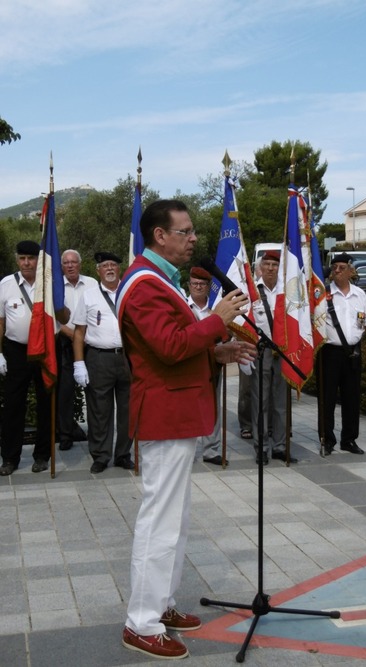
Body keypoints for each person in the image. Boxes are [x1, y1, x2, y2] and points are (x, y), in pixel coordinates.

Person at [116, 199, 254, 660]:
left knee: (176, 520)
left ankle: (163, 604)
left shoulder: (159, 281)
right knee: (160, 522)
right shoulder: (144, 286)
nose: (194, 238)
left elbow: (171, 348)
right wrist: (219, 321)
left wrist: (217, 352)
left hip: (176, 411)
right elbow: (170, 347)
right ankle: (141, 622)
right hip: (164, 414)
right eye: (186, 231)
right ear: (160, 235)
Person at [72, 252, 133, 474]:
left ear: (119, 269)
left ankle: (123, 454)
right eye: (104, 266)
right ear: (97, 271)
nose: (109, 269)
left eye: (113, 265)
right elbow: (79, 332)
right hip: (99, 358)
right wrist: (79, 363)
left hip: (127, 358)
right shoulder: (88, 296)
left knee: (128, 409)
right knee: (99, 410)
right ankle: (100, 455)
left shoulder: (130, 293)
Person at [0, 241, 51, 475]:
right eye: (22, 258)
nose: (26, 263)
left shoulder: (48, 284)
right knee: (13, 406)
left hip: (44, 351)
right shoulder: (6, 285)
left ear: (38, 261)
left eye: (31, 258)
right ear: (17, 259)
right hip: (16, 351)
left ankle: (42, 455)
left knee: (45, 403)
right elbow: (0, 322)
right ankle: (10, 458)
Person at [317, 252, 366, 455]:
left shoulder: (360, 294)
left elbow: (365, 323)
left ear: (350, 270)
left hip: (353, 353)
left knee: (352, 398)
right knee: (327, 398)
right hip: (330, 352)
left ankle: (349, 439)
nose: (337, 271)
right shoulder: (323, 293)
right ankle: (327, 440)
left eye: (341, 267)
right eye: (334, 267)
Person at [251, 249, 297, 465]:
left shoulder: (287, 291)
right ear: (260, 268)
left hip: (283, 351)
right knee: (260, 401)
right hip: (261, 351)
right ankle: (261, 447)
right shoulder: (252, 291)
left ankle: (279, 446)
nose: (270, 268)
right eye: (267, 264)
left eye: (275, 265)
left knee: (281, 403)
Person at [57, 249, 98, 451]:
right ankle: (65, 434)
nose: (70, 265)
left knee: (94, 390)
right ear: (61, 266)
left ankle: (97, 433)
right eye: (66, 263)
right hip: (65, 342)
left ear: (80, 264)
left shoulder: (92, 284)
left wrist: (84, 338)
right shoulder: (56, 287)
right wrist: (74, 336)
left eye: (74, 262)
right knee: (65, 391)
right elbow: (54, 319)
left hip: (90, 343)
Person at [187, 265, 226, 465]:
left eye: (202, 284)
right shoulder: (182, 307)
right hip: (189, 364)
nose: (198, 287)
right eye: (195, 283)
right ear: (189, 285)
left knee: (213, 406)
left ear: (208, 286)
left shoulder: (216, 309)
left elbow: (224, 335)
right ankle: (189, 450)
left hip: (212, 363)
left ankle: (211, 450)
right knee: (189, 407)